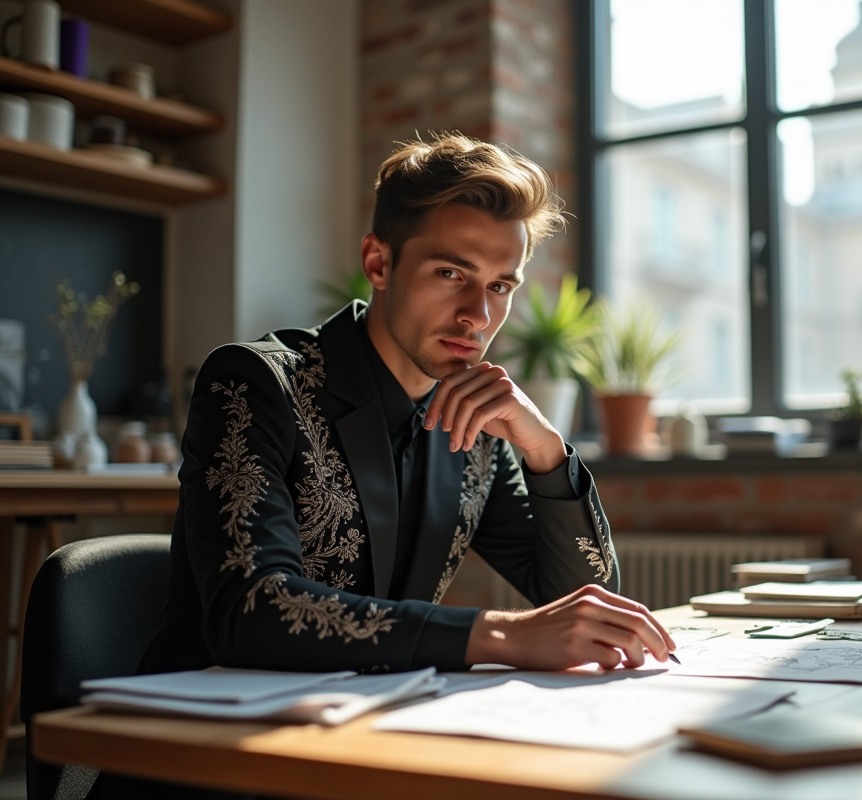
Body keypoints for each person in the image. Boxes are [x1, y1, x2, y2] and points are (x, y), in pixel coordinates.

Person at [94, 135, 673, 800]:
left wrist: (545, 449)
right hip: (206, 766)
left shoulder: (481, 433)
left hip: (366, 749)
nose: (477, 315)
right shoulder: (255, 383)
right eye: (452, 274)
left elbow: (581, 601)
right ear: (378, 261)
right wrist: (500, 635)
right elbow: (251, 609)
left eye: (500, 286)